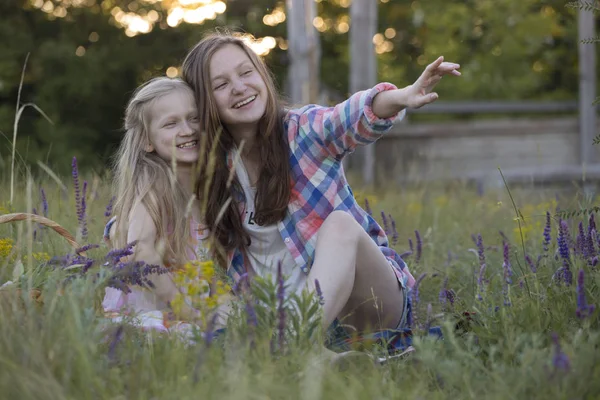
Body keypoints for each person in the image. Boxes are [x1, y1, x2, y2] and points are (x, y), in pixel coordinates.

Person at [180, 31, 460, 346]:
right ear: (204, 102)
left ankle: (290, 346)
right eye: (221, 84)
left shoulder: (302, 131)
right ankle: (302, 348)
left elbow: (350, 116)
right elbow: (151, 206)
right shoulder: (209, 171)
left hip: (368, 306)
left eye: (246, 72)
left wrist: (401, 96)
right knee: (209, 315)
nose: (239, 87)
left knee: (341, 225)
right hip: (279, 314)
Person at [102, 76, 224, 337]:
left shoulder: (207, 188)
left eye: (194, 118)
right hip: (148, 316)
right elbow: (139, 249)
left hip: (192, 311)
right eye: (171, 123)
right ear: (148, 141)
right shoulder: (153, 186)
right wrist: (185, 310)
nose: (187, 129)